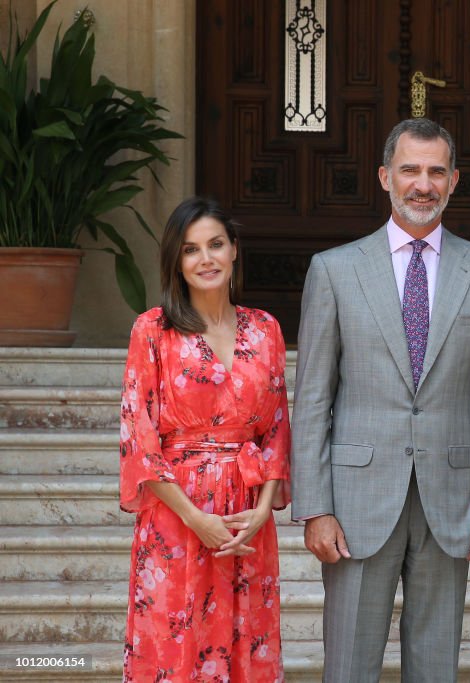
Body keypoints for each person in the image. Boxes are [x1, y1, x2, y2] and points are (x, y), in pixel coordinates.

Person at [290, 118, 470, 683]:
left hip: (452, 497)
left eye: (436, 171)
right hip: (355, 501)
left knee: (436, 667)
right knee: (348, 665)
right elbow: (313, 399)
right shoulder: (334, 270)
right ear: (384, 178)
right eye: (410, 170)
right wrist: (315, 506)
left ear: (455, 180)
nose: (423, 184)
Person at [119, 197, 291, 681]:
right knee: (177, 645)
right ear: (177, 260)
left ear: (234, 250)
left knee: (246, 640)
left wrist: (261, 512)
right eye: (191, 250)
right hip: (177, 517)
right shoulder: (152, 330)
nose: (206, 259)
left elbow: (277, 427)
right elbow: (140, 437)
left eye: (216, 244)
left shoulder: (265, 329)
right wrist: (197, 518)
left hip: (246, 517)